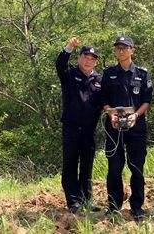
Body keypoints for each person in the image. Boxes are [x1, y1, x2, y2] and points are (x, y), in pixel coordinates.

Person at [101, 35, 153, 222]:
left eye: (125, 47)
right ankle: (113, 206)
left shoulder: (142, 74)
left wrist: (136, 115)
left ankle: (137, 207)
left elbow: (147, 100)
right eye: (118, 48)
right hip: (114, 127)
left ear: (132, 50)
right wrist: (110, 113)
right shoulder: (108, 73)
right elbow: (103, 99)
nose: (121, 51)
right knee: (114, 167)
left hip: (136, 127)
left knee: (136, 167)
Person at [55, 37, 103, 213]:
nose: (88, 61)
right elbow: (60, 64)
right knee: (70, 164)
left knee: (87, 165)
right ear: (79, 58)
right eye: (85, 57)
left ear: (96, 62)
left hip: (89, 129)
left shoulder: (100, 80)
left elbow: (106, 101)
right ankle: (73, 201)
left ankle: (86, 199)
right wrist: (69, 47)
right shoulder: (69, 74)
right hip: (71, 127)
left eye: (92, 59)